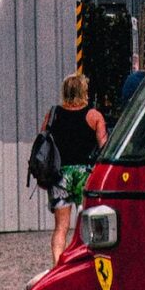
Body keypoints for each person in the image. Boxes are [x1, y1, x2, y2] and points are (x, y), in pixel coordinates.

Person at [43, 70, 107, 267]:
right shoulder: (94, 116)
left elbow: (43, 141)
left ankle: (57, 266)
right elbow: (104, 146)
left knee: (60, 227)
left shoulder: (53, 114)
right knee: (85, 225)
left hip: (59, 175)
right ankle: (82, 266)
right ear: (83, 91)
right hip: (84, 175)